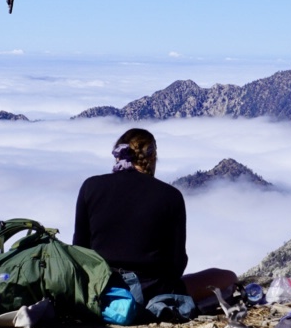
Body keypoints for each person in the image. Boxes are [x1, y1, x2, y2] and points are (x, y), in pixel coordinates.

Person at [72, 129, 235, 315]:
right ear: (153, 156)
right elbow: (177, 263)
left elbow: (79, 250)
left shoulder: (90, 186)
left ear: (118, 156)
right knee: (227, 277)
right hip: (152, 293)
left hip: (100, 291)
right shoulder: (170, 196)